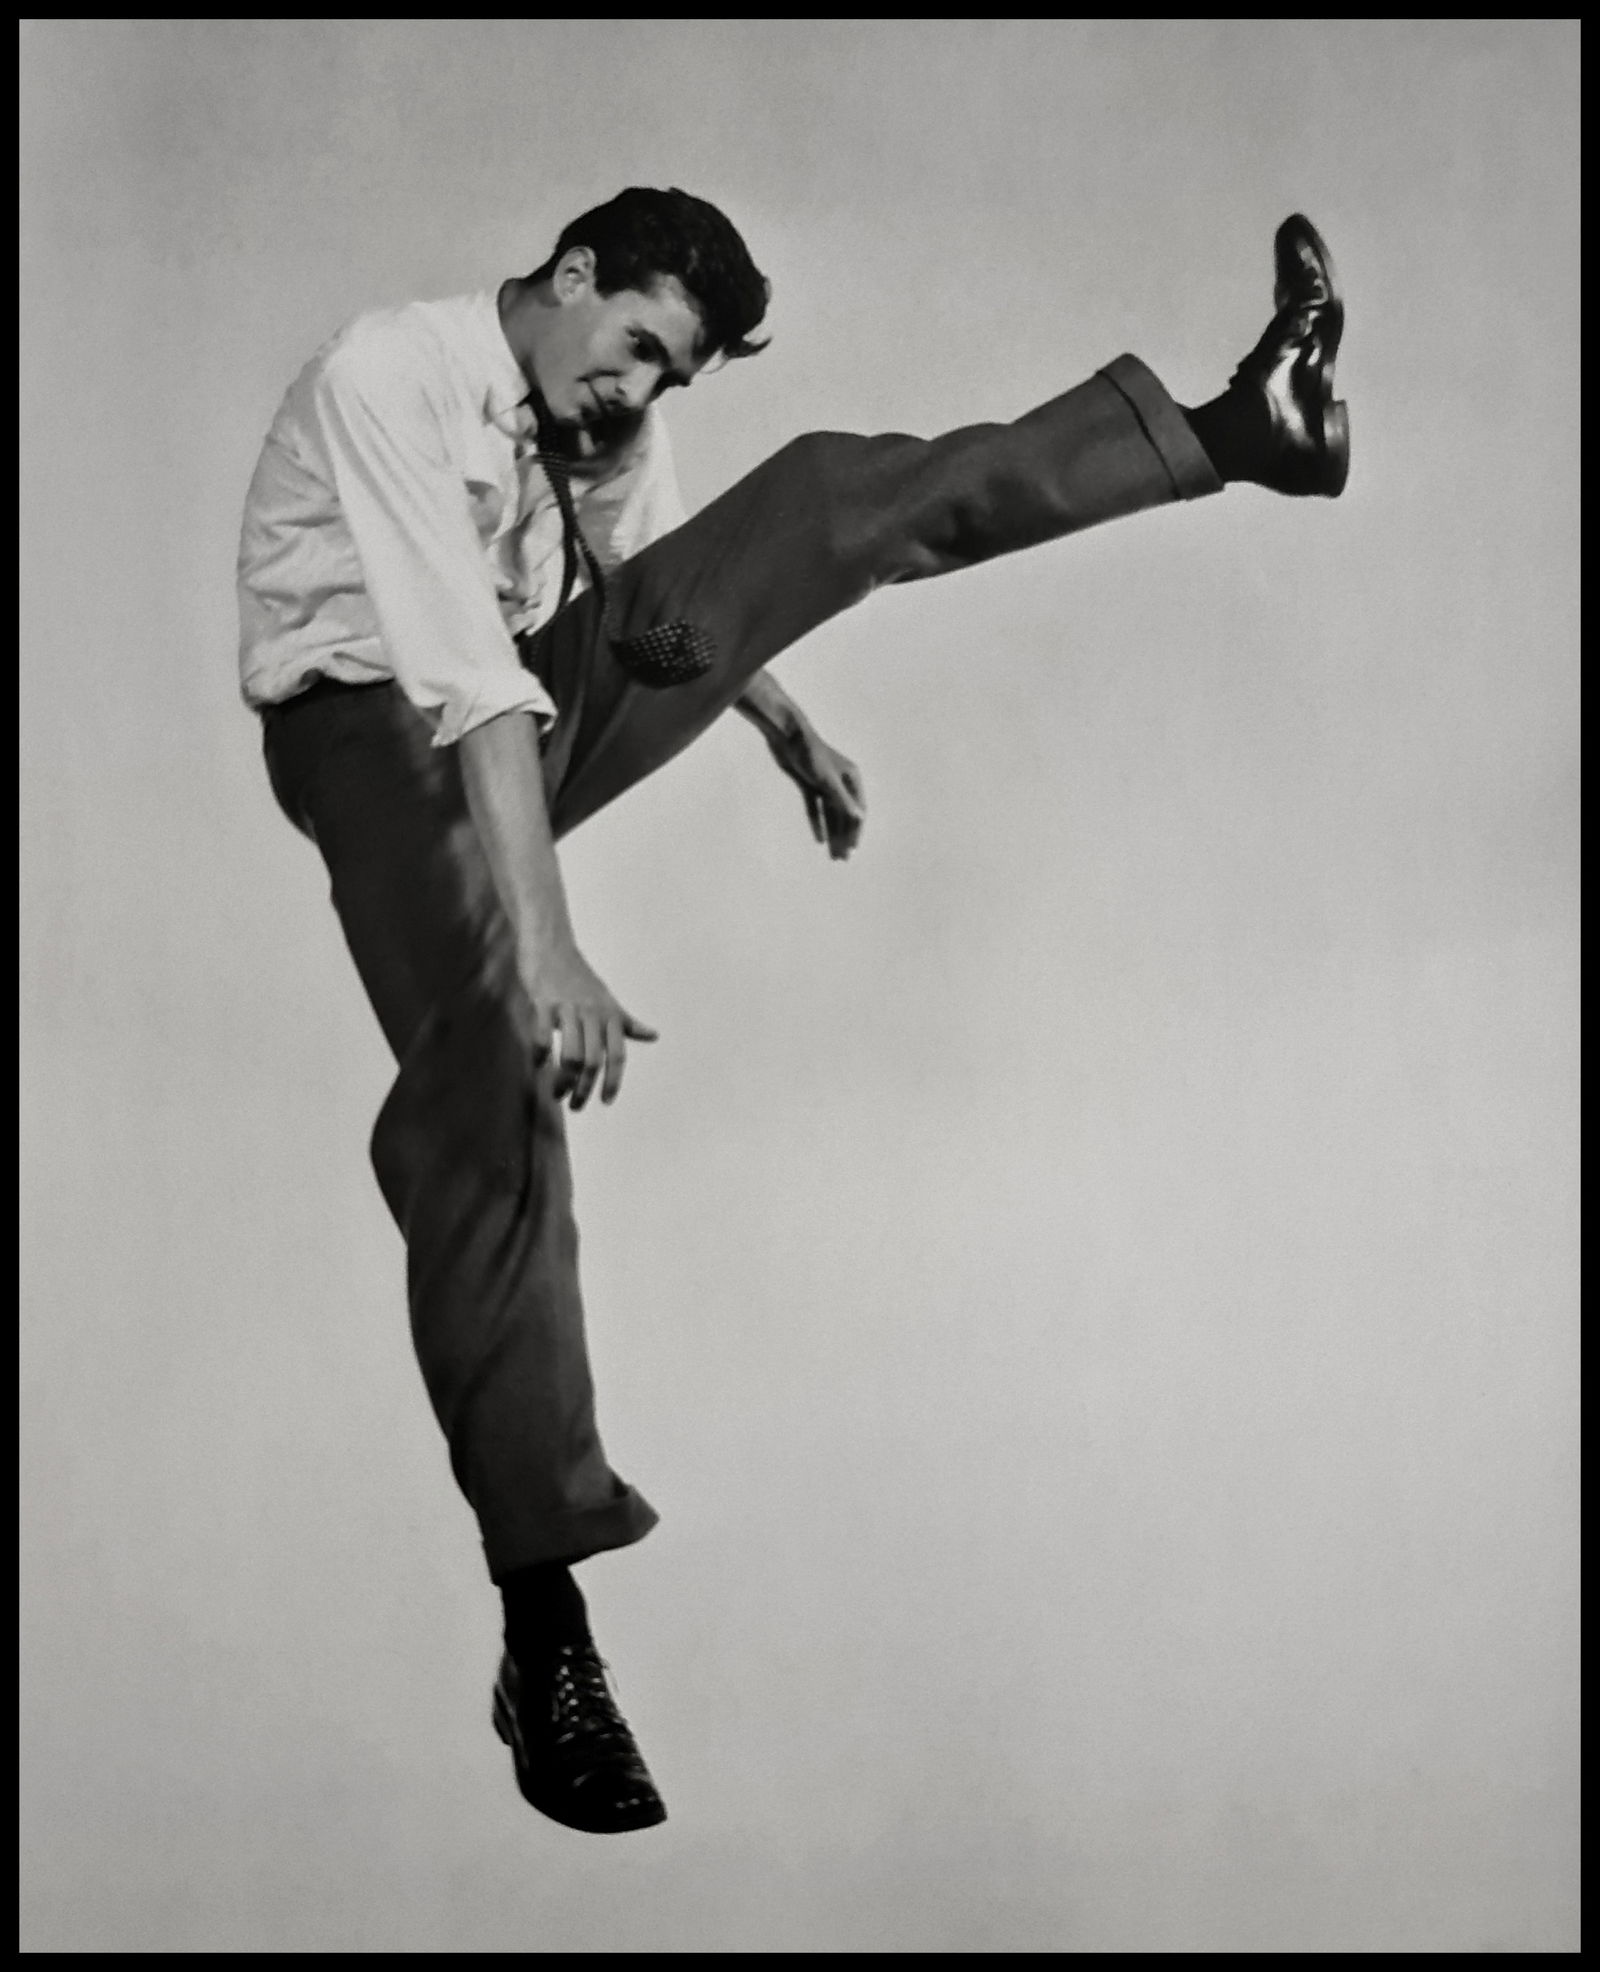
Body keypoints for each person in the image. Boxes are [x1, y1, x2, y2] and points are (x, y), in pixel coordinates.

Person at [238, 186, 1350, 1835]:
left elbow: (657, 589)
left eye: (671, 379)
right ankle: (546, 1626)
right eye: (633, 350)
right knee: (493, 1071)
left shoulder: (593, 420)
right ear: (566, 277)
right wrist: (546, 952)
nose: (638, 396)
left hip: (524, 696)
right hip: (370, 736)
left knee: (825, 490)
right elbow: (470, 682)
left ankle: (1227, 429)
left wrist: (775, 714)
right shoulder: (387, 377)